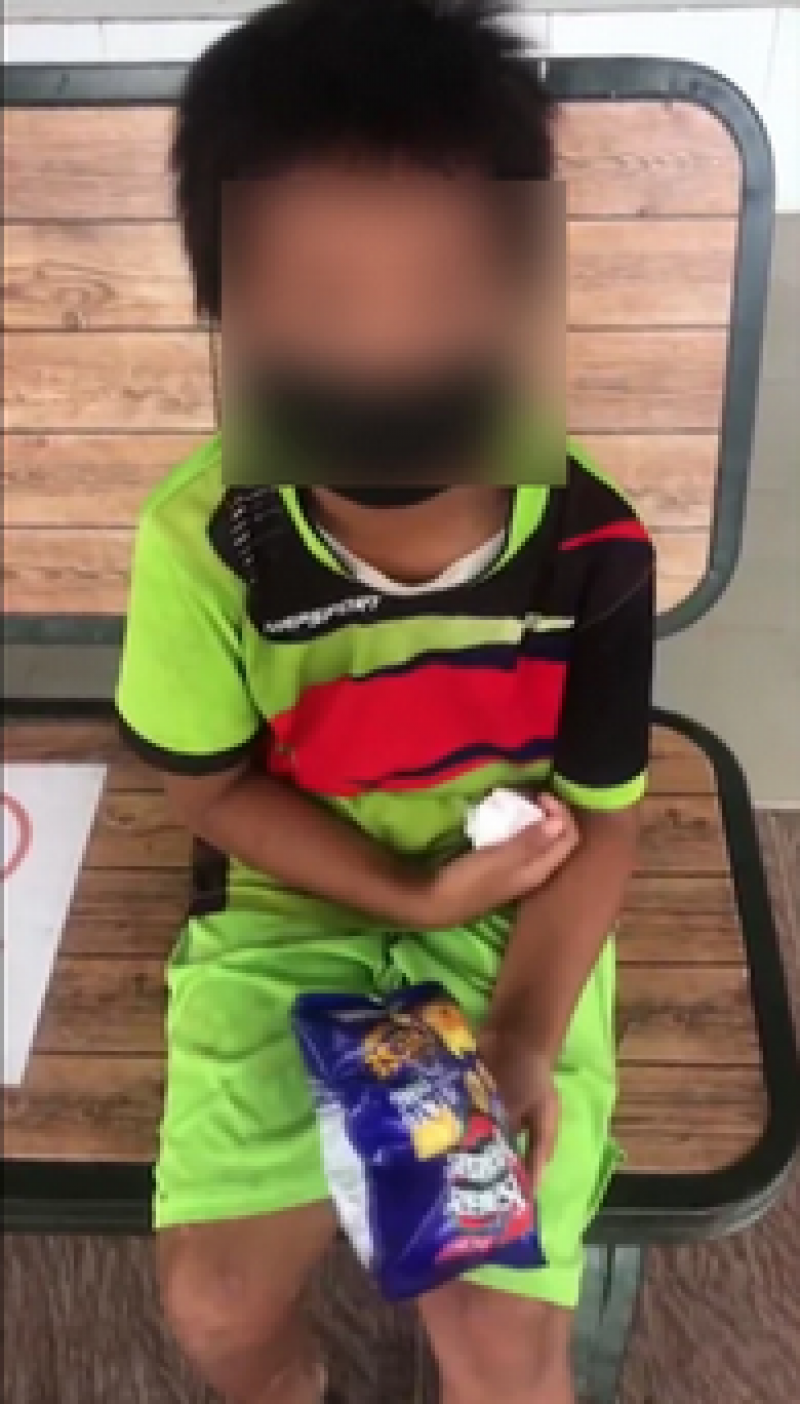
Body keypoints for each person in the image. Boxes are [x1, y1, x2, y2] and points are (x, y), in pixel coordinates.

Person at [116, 3, 655, 1401]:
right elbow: (208, 788)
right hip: (293, 901)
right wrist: (402, 893)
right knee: (217, 1304)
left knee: (506, 1351)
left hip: (518, 921)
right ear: (228, 313)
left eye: (445, 291)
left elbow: (602, 823)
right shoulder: (203, 541)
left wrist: (522, 1036)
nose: (386, 357)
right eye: (319, 301)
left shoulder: (593, 542)